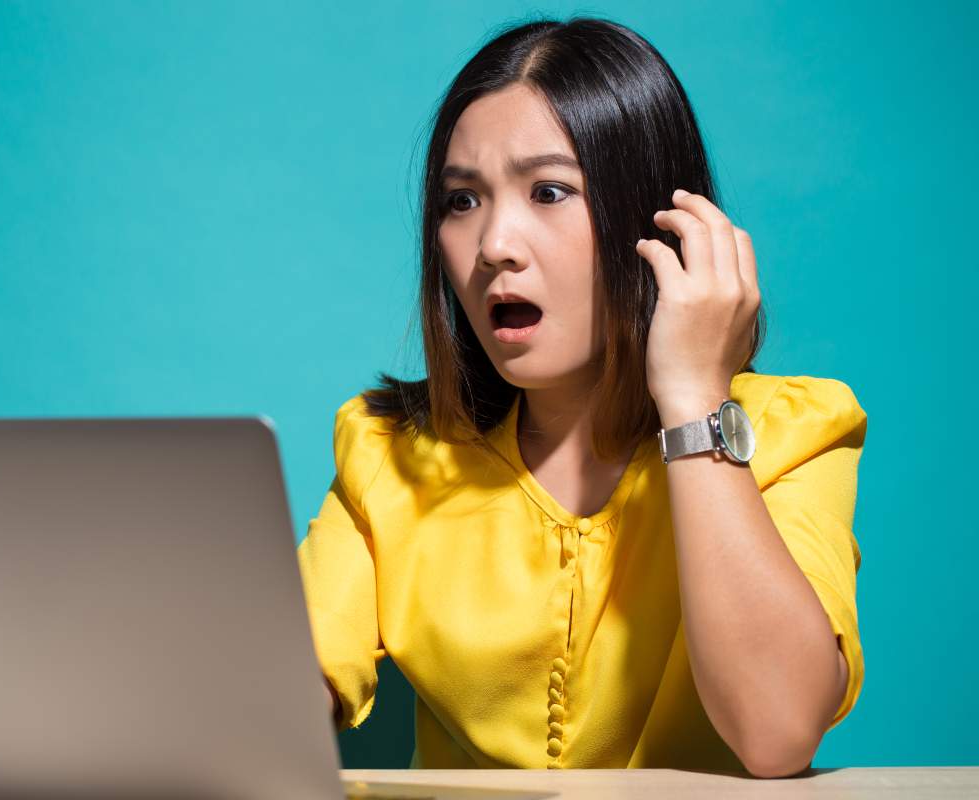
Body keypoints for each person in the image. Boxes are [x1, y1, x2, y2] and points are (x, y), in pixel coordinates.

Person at [296, 16, 866, 779]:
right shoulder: (389, 455)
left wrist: (694, 399)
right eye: (461, 201)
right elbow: (273, 696)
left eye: (550, 191)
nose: (495, 242)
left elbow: (778, 731)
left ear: (661, 223)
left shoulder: (793, 431)